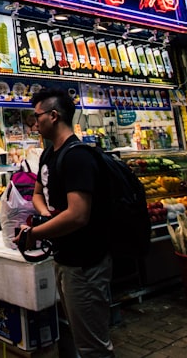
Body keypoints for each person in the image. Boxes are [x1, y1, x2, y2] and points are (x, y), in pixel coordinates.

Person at [16, 87, 115, 357]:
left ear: (54, 115)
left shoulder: (77, 156)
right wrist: (47, 216)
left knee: (93, 345)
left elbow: (78, 214)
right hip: (64, 259)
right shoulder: (49, 154)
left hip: (85, 263)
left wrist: (35, 233)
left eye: (37, 116)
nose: (34, 123)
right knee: (76, 331)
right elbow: (38, 193)